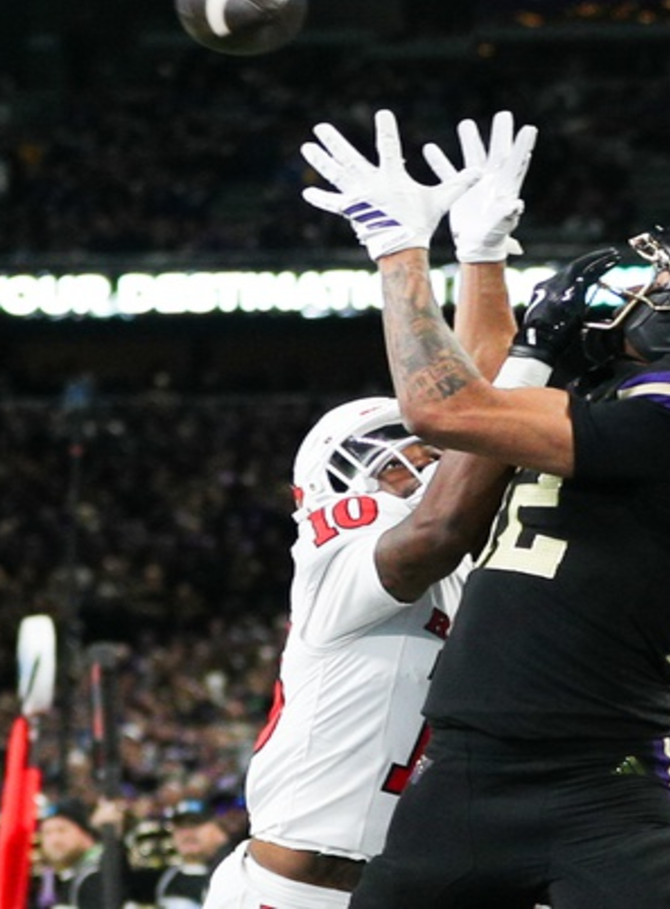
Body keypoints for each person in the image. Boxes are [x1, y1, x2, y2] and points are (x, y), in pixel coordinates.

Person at [301, 109, 670, 908]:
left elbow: (448, 411)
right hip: (466, 778)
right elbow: (489, 406)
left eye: (666, 276)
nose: (643, 284)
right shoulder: (644, 399)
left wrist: (398, 249)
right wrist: (483, 257)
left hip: (600, 785)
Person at [203, 112, 538, 909]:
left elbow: (478, 418)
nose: (417, 465)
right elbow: (442, 517)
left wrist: (482, 255)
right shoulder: (341, 550)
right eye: (389, 459)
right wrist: (399, 249)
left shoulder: (455, 553)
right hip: (287, 895)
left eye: (422, 452)